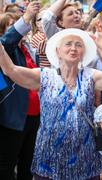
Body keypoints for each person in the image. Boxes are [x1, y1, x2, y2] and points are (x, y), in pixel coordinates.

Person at [0, 25, 102, 179]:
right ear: (57, 51)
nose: (73, 48)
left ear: (83, 53)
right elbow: (11, 70)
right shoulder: (44, 76)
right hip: (49, 159)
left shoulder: (91, 76)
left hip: (84, 158)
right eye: (68, 44)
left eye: (79, 45)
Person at [0, 1, 40, 180]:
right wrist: (26, 17)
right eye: (12, 25)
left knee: (28, 165)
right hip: (13, 118)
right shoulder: (6, 49)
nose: (20, 30)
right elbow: (9, 39)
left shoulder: (28, 49)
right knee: (7, 166)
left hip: (34, 117)